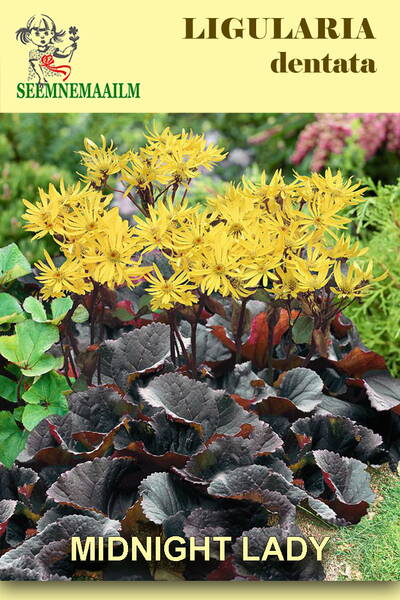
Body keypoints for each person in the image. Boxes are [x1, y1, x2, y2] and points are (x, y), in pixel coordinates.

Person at [16, 14, 78, 83]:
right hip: (38, 79)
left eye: (46, 33)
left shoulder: (51, 49)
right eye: (37, 34)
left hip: (51, 77)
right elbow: (35, 65)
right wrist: (41, 78)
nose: (42, 37)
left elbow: (63, 54)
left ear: (52, 34)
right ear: (29, 36)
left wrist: (70, 48)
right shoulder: (33, 53)